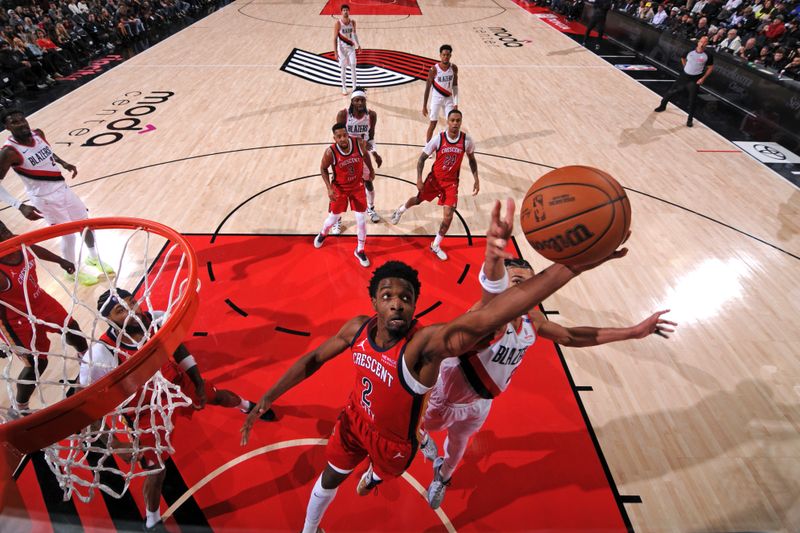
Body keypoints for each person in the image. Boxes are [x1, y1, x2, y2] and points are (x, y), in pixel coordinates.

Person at [241, 199, 630, 533]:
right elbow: (311, 359)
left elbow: (488, 317)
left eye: (406, 297)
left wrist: (572, 266)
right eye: (387, 295)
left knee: (393, 466)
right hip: (354, 420)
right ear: (374, 301)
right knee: (330, 476)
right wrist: (268, 396)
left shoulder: (425, 347)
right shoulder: (356, 329)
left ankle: (379, 473)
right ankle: (310, 528)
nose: (397, 303)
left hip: (395, 443)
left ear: (415, 306)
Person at [419, 257, 677, 509]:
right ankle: (421, 438)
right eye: (519, 283)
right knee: (411, 429)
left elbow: (570, 336)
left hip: (480, 403)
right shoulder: (485, 316)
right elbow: (489, 292)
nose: (528, 292)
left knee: (457, 448)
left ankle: (442, 476)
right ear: (502, 286)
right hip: (444, 397)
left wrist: (632, 332)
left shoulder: (534, 319)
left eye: (532, 286)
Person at [79, 288, 276, 530]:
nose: (132, 310)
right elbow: (85, 407)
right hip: (143, 410)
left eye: (133, 302)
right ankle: (152, 520)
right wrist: (115, 445)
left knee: (217, 396)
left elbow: (178, 347)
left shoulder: (157, 319)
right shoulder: (100, 355)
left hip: (174, 383)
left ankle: (246, 406)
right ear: (109, 320)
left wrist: (197, 379)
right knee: (156, 470)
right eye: (121, 310)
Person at [0, 109, 114, 285]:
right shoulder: (9, 152)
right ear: (7, 127)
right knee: (68, 235)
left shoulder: (38, 134)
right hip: (45, 198)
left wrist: (63, 162)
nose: (21, 123)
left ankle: (93, 257)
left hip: (62, 188)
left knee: (86, 224)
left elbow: (47, 152)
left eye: (22, 119)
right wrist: (19, 205)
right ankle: (72, 271)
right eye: (14, 122)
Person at [0, 220, 87, 413]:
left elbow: (34, 249)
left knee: (73, 330)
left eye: (6, 230)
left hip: (40, 301)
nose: (7, 236)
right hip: (16, 320)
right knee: (38, 364)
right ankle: (19, 407)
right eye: (2, 236)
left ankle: (87, 365)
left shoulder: (17, 241)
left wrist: (60, 260)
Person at [390, 109, 479, 261]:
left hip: (451, 183)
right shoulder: (439, 138)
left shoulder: (466, 140)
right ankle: (400, 210)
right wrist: (419, 179)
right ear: (448, 121)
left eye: (458, 121)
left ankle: (436, 245)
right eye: (453, 120)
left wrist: (476, 178)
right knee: (418, 200)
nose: (455, 123)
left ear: (461, 122)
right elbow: (421, 159)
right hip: (435, 180)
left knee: (448, 216)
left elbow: (471, 159)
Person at [313, 122, 375, 268]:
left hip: (357, 187)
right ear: (334, 138)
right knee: (333, 218)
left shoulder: (359, 143)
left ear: (348, 134)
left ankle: (360, 250)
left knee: (361, 220)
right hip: (340, 188)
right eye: (339, 136)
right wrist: (329, 188)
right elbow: (323, 168)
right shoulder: (330, 152)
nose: (342, 139)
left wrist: (371, 169)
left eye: (344, 135)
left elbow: (365, 155)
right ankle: (323, 233)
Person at [335, 87, 383, 228]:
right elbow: (338, 137)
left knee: (368, 182)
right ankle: (336, 219)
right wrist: (338, 158)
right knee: (341, 187)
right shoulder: (343, 115)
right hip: (346, 155)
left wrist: (375, 154)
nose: (360, 103)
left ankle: (371, 208)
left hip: (362, 154)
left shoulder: (371, 116)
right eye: (357, 100)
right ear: (352, 102)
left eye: (362, 100)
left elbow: (371, 138)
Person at [654, 36, 715, 127]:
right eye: (701, 41)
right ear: (698, 42)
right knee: (670, 92)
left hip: (694, 79)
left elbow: (710, 68)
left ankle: (689, 120)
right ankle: (662, 106)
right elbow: (683, 58)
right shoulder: (690, 51)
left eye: (705, 42)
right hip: (684, 76)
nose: (702, 43)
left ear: (706, 44)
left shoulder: (708, 55)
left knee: (692, 100)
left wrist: (703, 78)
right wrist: (685, 67)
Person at [422, 44, 459, 142]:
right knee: (433, 123)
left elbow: (455, 86)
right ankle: (427, 146)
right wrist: (424, 105)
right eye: (443, 55)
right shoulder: (434, 69)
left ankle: (447, 144)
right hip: (436, 98)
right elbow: (427, 88)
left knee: (451, 123)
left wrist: (456, 102)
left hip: (448, 99)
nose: (445, 57)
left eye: (447, 55)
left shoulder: (454, 68)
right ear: (440, 55)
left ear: (450, 55)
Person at [333, 4, 360, 95]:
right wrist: (335, 52)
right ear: (341, 12)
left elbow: (355, 34)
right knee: (343, 68)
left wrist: (358, 44)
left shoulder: (353, 22)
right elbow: (334, 39)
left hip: (351, 48)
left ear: (349, 11)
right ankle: (344, 87)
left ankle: (354, 87)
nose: (345, 11)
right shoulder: (338, 23)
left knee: (353, 66)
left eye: (346, 10)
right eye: (343, 10)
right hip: (342, 49)